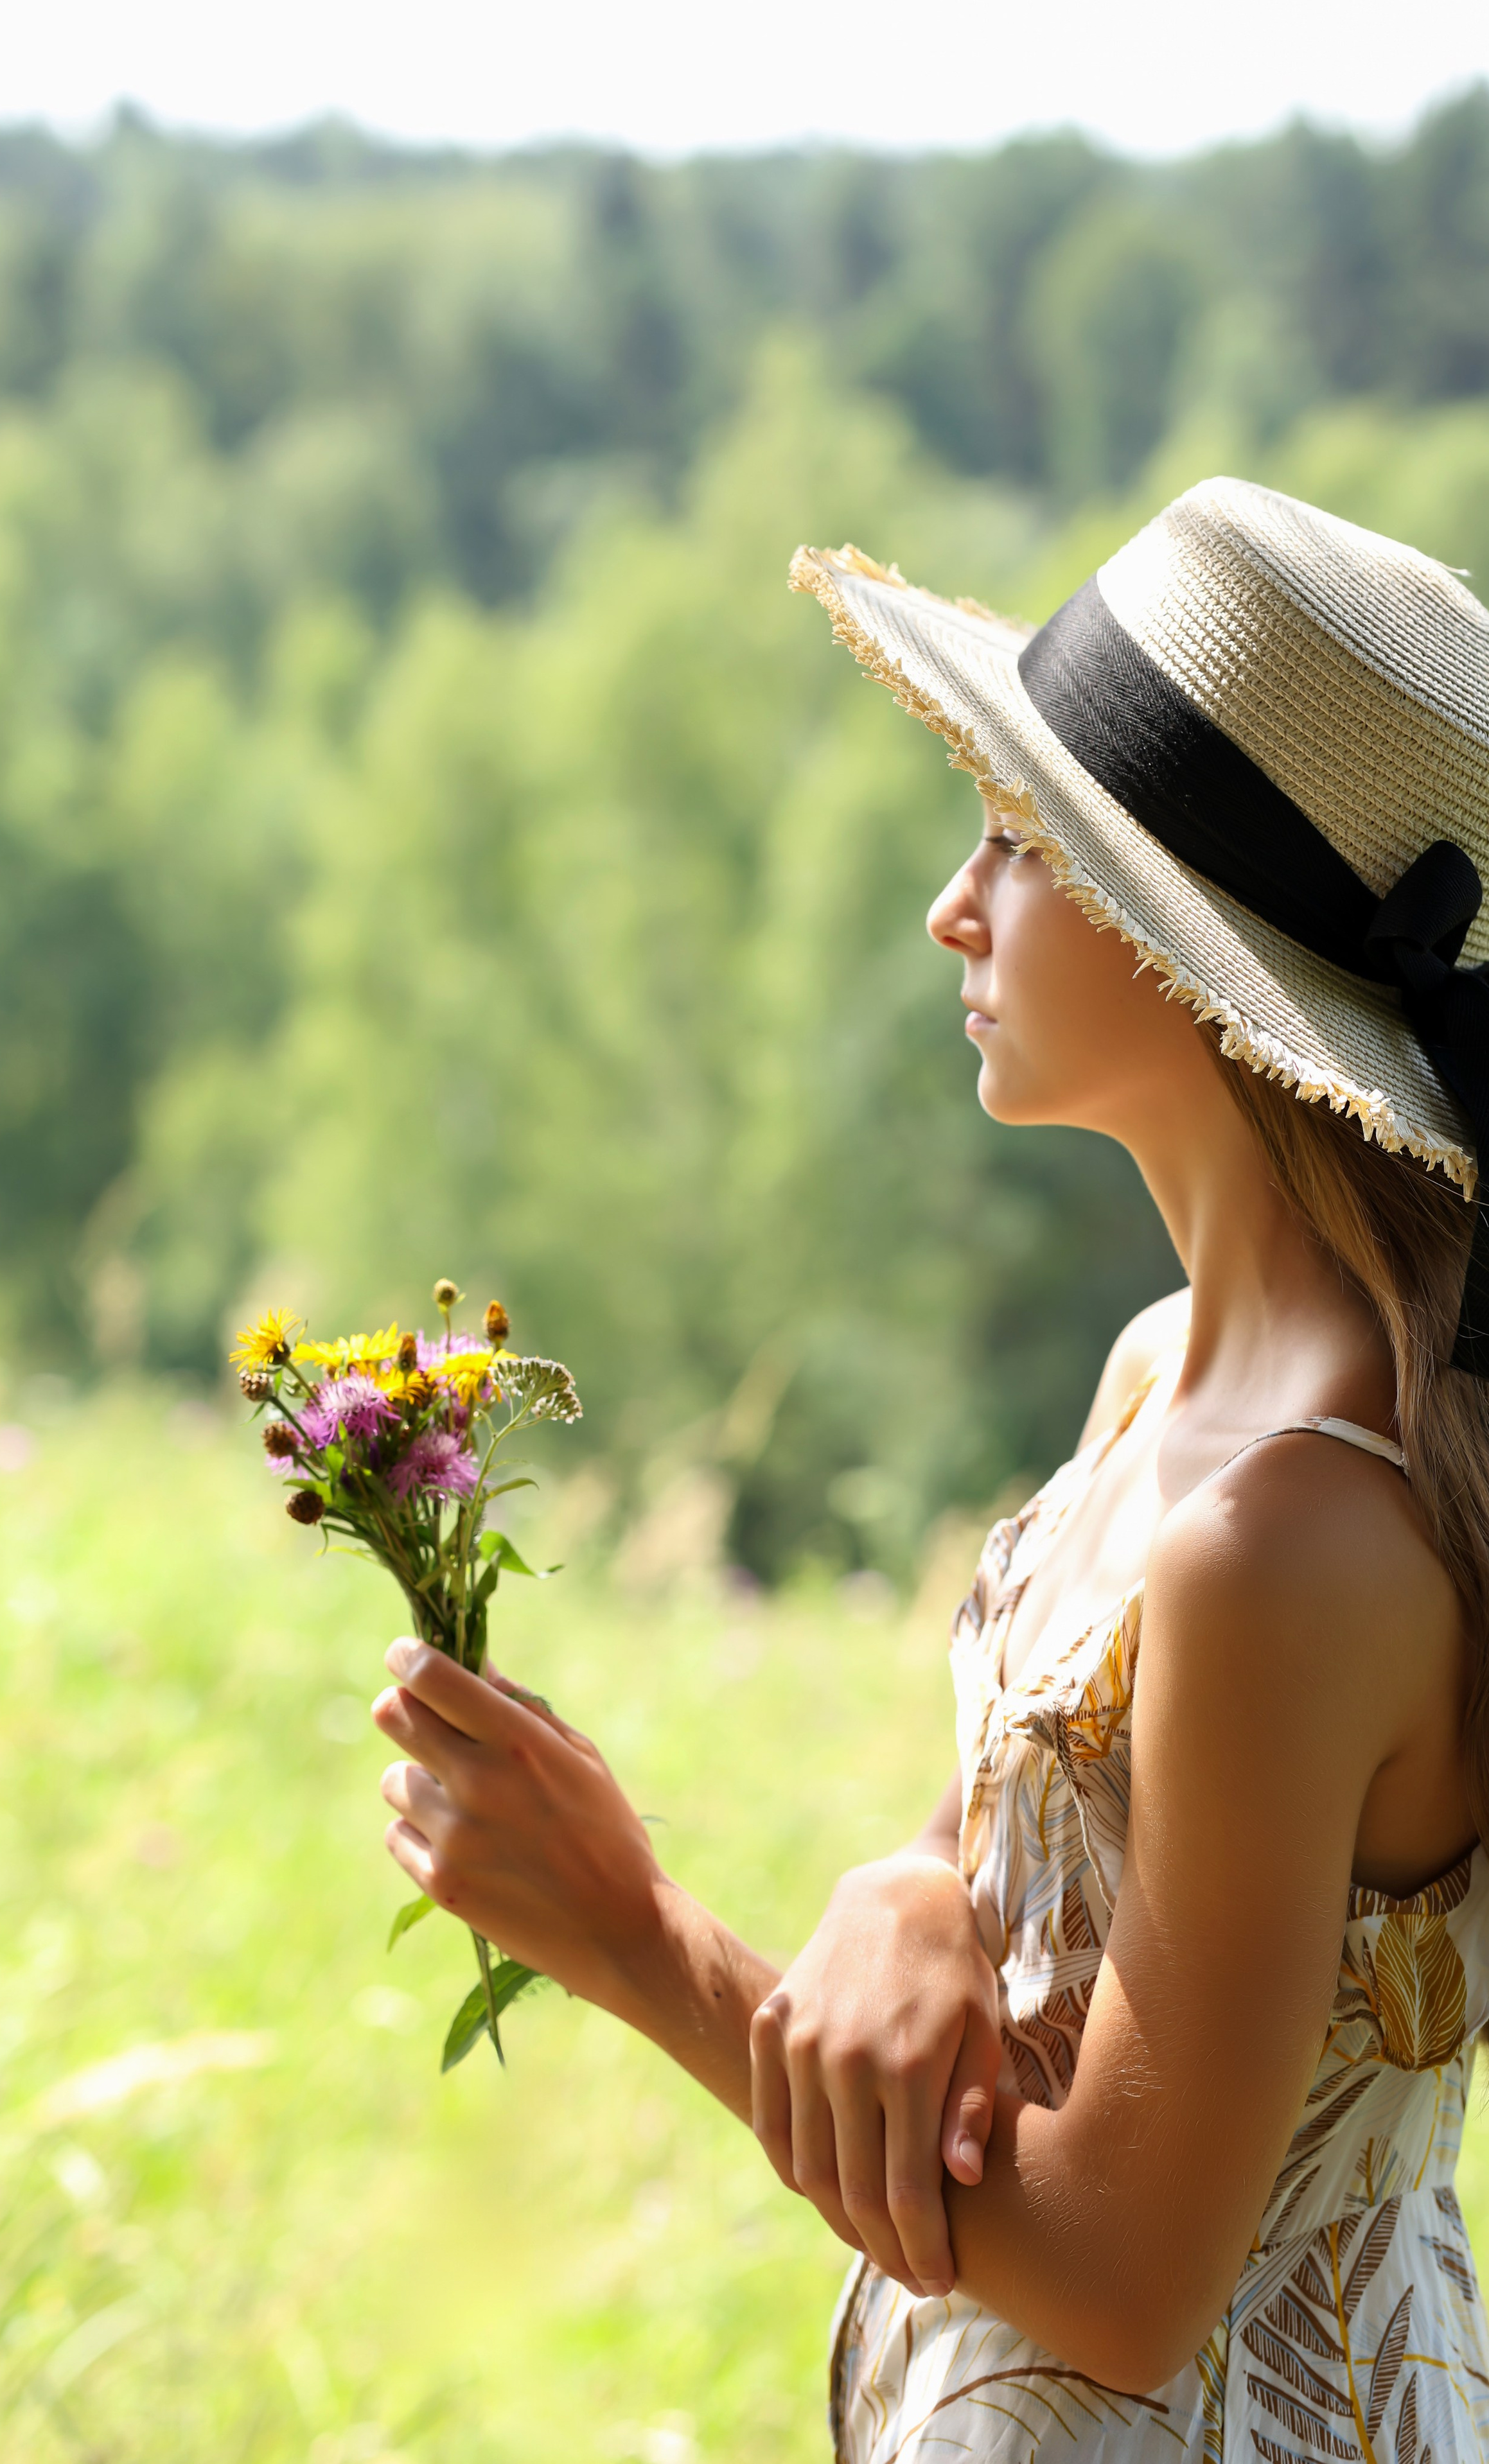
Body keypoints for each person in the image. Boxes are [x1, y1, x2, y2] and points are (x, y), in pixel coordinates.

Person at [372, 478, 1489, 2460]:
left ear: (1187, 958)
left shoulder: (1293, 1531)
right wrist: (907, 1893)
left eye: (1011, 840)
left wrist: (637, 1931)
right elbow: (1065, 1859)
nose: (948, 906)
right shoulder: (1168, 1378)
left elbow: (1120, 2281)